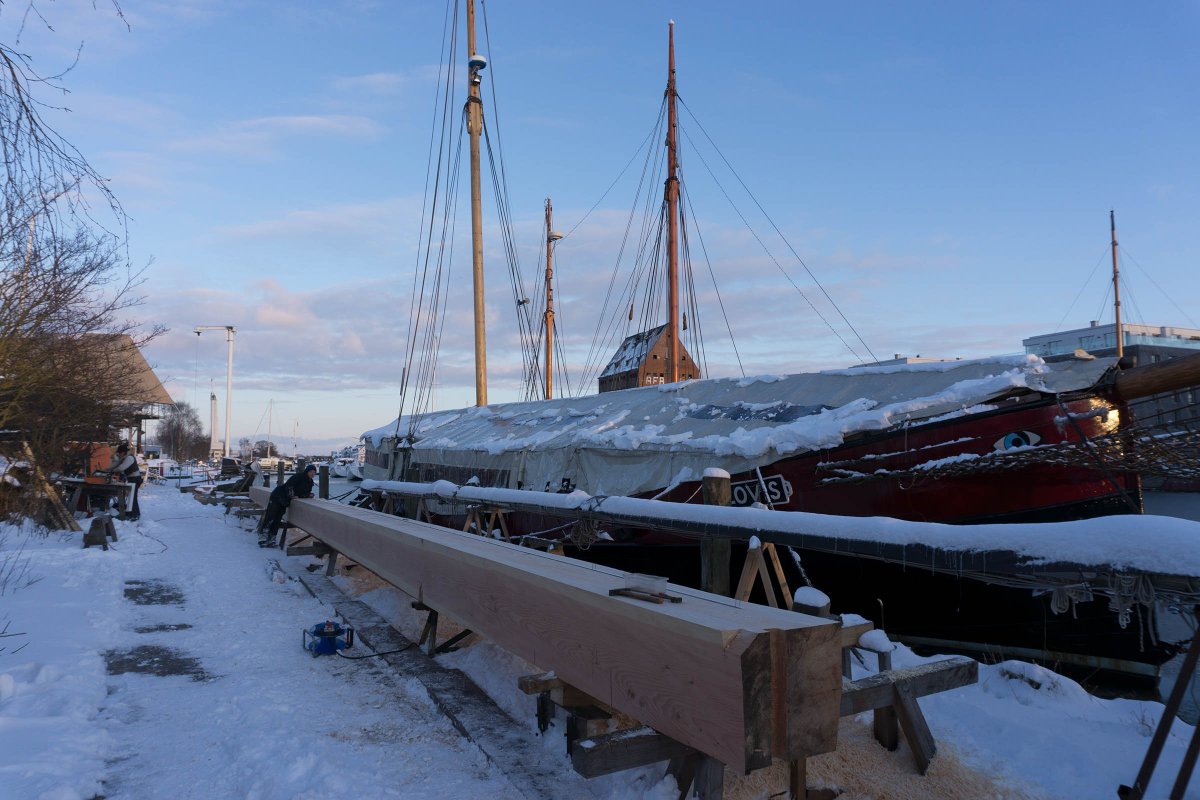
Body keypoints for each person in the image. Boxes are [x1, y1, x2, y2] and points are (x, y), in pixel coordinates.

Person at [258, 463, 317, 548]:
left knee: (277, 519)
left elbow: (302, 493)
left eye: (314, 472)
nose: (312, 473)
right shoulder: (298, 477)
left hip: (285, 501)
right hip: (278, 496)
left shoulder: (310, 482)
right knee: (270, 516)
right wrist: (292, 495)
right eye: (311, 471)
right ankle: (263, 538)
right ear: (307, 471)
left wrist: (308, 495)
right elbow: (289, 486)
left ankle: (272, 539)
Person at [106, 443, 143, 520]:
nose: (118, 454)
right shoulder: (125, 457)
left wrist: (112, 470)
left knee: (133, 497)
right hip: (132, 478)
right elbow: (117, 464)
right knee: (131, 497)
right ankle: (133, 513)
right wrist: (108, 469)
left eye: (119, 453)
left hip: (135, 479)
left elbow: (121, 468)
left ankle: (135, 515)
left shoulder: (129, 458)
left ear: (123, 452)